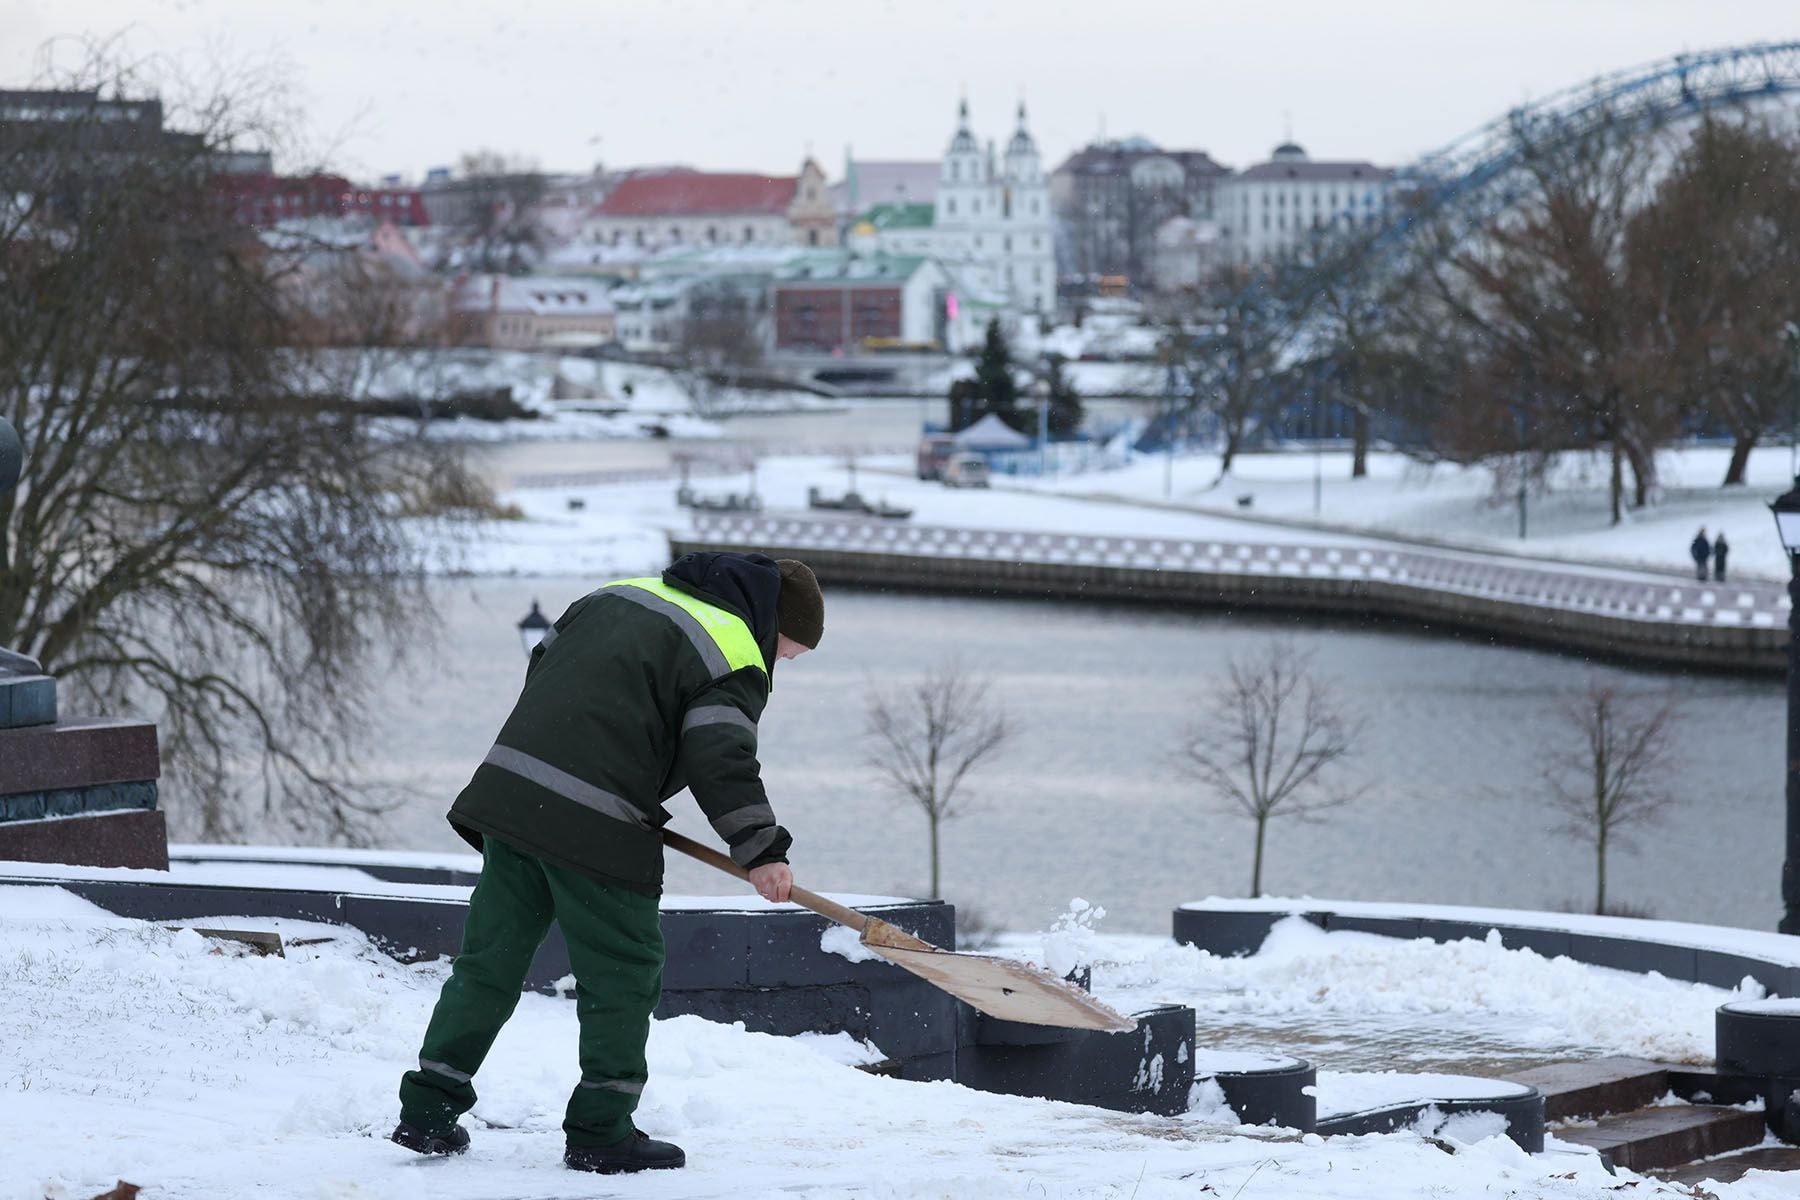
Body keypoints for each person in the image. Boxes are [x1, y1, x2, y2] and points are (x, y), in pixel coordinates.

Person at [392, 552, 823, 1175]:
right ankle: (601, 1131)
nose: (783, 661)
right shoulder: (733, 649)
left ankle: (427, 1112)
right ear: (773, 619)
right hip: (596, 821)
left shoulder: (619, 594)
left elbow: (550, 671)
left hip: (511, 794)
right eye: (790, 650)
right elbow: (720, 756)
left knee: (489, 964)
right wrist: (761, 849)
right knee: (621, 975)